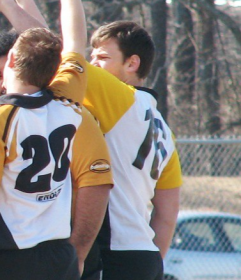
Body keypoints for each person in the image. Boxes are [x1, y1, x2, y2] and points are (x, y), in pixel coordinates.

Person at [0, 0, 115, 275]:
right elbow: (75, 44)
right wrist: (77, 254)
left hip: (4, 256)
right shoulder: (74, 110)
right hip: (57, 255)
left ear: (12, 61)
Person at [77, 21, 183, 280]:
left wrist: (11, 7)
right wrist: (151, 265)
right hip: (144, 255)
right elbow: (167, 214)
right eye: (92, 57)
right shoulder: (164, 129)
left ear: (132, 64)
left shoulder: (121, 99)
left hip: (110, 252)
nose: (93, 64)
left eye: (102, 57)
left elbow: (49, 55)